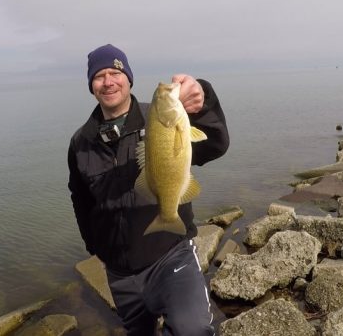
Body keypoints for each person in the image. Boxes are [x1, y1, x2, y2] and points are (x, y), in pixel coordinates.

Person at [67, 44, 229, 335]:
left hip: (171, 257)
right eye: (99, 76)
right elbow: (80, 199)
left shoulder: (158, 118)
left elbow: (216, 144)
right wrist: (96, 248)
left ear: (129, 78)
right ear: (91, 85)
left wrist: (202, 99)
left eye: (115, 72)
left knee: (192, 330)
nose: (108, 81)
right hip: (119, 274)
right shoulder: (81, 142)